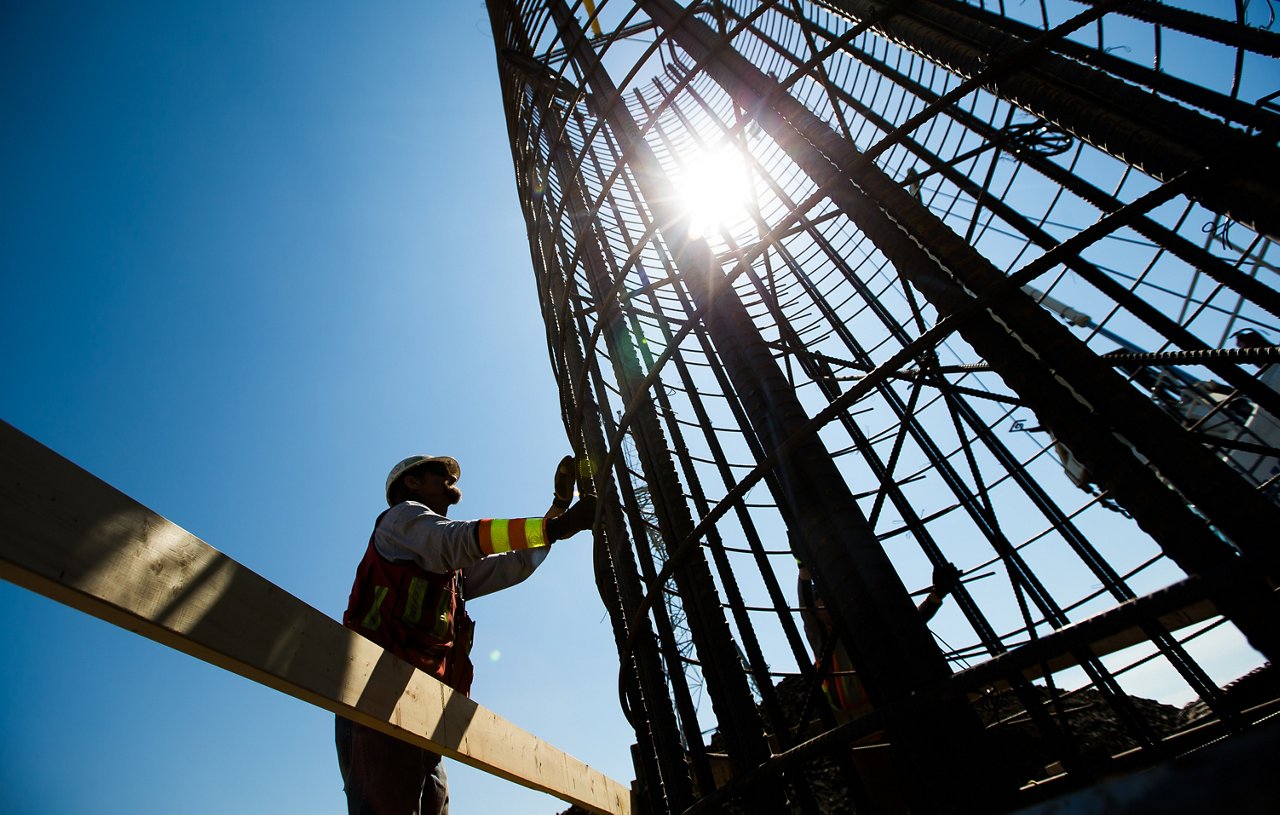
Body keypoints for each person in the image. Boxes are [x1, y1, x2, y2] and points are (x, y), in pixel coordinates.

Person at [335, 453, 596, 814]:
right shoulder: (402, 520)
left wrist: (558, 512)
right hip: (375, 699)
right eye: (440, 473)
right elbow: (455, 540)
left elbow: (515, 564)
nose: (451, 479)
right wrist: (557, 526)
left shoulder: (447, 566)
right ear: (411, 482)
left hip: (422, 707)